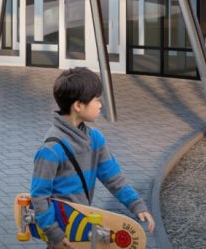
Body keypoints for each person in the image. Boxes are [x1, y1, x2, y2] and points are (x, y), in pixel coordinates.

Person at [27, 68, 154, 246]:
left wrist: (136, 204)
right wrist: (53, 234)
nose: (100, 105)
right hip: (61, 233)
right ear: (78, 106)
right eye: (97, 100)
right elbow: (39, 197)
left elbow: (113, 178)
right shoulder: (51, 150)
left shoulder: (95, 139)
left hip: (83, 226)